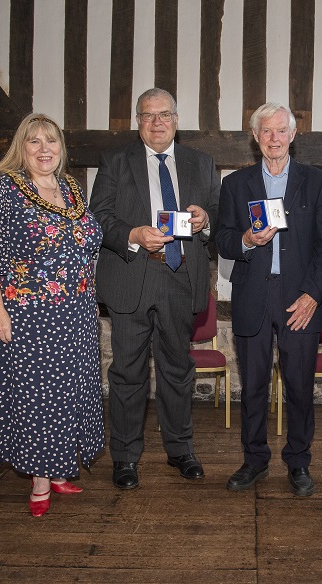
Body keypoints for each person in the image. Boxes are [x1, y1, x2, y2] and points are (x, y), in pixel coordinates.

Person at [0, 113, 105, 517]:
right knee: (37, 397)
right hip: (28, 316)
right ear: (21, 148)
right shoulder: (4, 188)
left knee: (67, 395)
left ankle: (58, 468)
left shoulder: (71, 188)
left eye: (51, 141)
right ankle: (40, 481)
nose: (44, 149)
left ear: (61, 147)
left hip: (75, 315)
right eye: (34, 141)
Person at [89, 88, 220, 490]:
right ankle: (125, 456)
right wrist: (133, 234)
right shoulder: (115, 161)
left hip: (180, 279)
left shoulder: (201, 163)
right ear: (138, 121)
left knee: (177, 370)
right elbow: (98, 218)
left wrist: (206, 220)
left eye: (164, 114)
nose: (157, 122)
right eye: (148, 115)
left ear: (176, 120)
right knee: (127, 373)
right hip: (132, 277)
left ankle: (180, 450)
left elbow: (220, 218)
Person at [216, 103, 322, 496]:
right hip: (253, 295)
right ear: (255, 137)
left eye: (281, 130)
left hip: (299, 298)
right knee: (252, 387)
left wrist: (312, 295)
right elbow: (223, 240)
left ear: (293, 135)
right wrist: (247, 239)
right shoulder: (236, 184)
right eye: (266, 131)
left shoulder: (316, 182)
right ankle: (254, 460)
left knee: (299, 386)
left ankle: (299, 462)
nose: (274, 138)